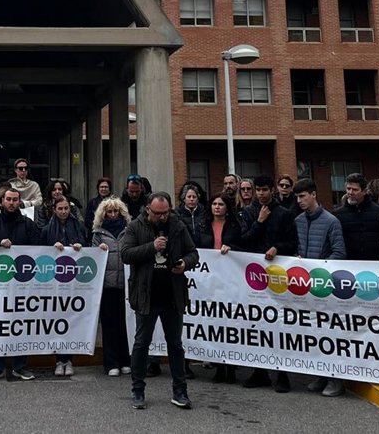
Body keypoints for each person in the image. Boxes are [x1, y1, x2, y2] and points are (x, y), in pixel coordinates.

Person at [122, 191, 198, 410]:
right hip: (146, 295)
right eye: (157, 213)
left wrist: (185, 263)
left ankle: (180, 391)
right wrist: (152, 247)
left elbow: (193, 253)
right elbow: (126, 254)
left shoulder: (178, 226)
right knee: (141, 343)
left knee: (175, 345)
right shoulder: (135, 227)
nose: (162, 217)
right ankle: (138, 391)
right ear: (148, 209)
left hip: (172, 295)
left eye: (166, 212)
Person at [239, 175, 297, 392]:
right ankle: (260, 371)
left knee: (279, 325)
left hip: (277, 276)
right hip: (254, 277)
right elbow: (244, 240)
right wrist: (259, 222)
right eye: (258, 190)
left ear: (272, 190)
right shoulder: (249, 213)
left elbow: (292, 243)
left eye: (265, 189)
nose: (261, 193)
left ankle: (282, 374)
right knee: (257, 325)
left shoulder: (284, 213)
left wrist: (277, 248)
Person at [0, 187, 41, 381]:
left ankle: (19, 366)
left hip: (21, 282)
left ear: (19, 202)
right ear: (2, 202)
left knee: (20, 323)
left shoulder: (28, 224)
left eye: (15, 200)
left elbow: (38, 247)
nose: (12, 203)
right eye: (8, 199)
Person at [291, 179, 346, 397]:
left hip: (324, 286)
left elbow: (339, 252)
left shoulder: (331, 221)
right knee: (312, 333)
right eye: (297, 197)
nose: (299, 201)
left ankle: (335, 379)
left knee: (329, 333)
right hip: (305, 287)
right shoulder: (298, 221)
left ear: (314, 195)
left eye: (303, 196)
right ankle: (320, 375)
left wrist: (318, 271)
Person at [43, 196, 86, 377]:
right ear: (54, 209)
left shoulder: (79, 227)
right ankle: (59, 360)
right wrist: (52, 247)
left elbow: (87, 246)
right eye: (60, 208)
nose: (63, 212)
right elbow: (40, 251)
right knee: (56, 320)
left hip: (73, 282)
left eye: (66, 208)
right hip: (54, 282)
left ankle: (69, 360)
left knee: (70, 319)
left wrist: (80, 246)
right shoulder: (47, 229)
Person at [202, 193, 241, 384]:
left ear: (227, 208)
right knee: (214, 324)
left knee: (230, 323)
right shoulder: (204, 225)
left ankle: (231, 368)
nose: (217, 207)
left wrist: (232, 247)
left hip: (230, 279)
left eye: (221, 204)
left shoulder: (235, 226)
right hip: (210, 280)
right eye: (214, 204)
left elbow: (243, 245)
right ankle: (218, 367)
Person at [91, 197, 131, 378]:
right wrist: (98, 249)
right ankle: (111, 362)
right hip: (107, 287)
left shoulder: (129, 231)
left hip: (126, 286)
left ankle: (126, 360)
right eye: (109, 212)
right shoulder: (98, 234)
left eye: (116, 211)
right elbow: (93, 257)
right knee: (109, 325)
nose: (113, 214)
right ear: (104, 214)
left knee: (125, 324)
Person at [336, 172, 379, 261]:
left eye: (355, 190)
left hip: (374, 263)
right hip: (348, 263)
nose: (350, 192)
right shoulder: (337, 214)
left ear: (364, 191)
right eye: (348, 189)